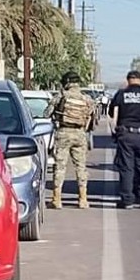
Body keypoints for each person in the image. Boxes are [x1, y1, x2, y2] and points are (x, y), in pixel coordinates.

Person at [45, 71, 96, 209]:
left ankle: (56, 199)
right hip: (80, 134)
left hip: (63, 133)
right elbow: (92, 118)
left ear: (66, 82)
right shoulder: (86, 98)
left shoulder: (61, 96)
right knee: (81, 167)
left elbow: (47, 113)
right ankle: (83, 199)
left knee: (60, 166)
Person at [109, 70, 140, 209]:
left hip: (126, 134)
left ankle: (127, 200)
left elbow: (112, 112)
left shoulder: (121, 94)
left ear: (128, 80)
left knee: (126, 168)